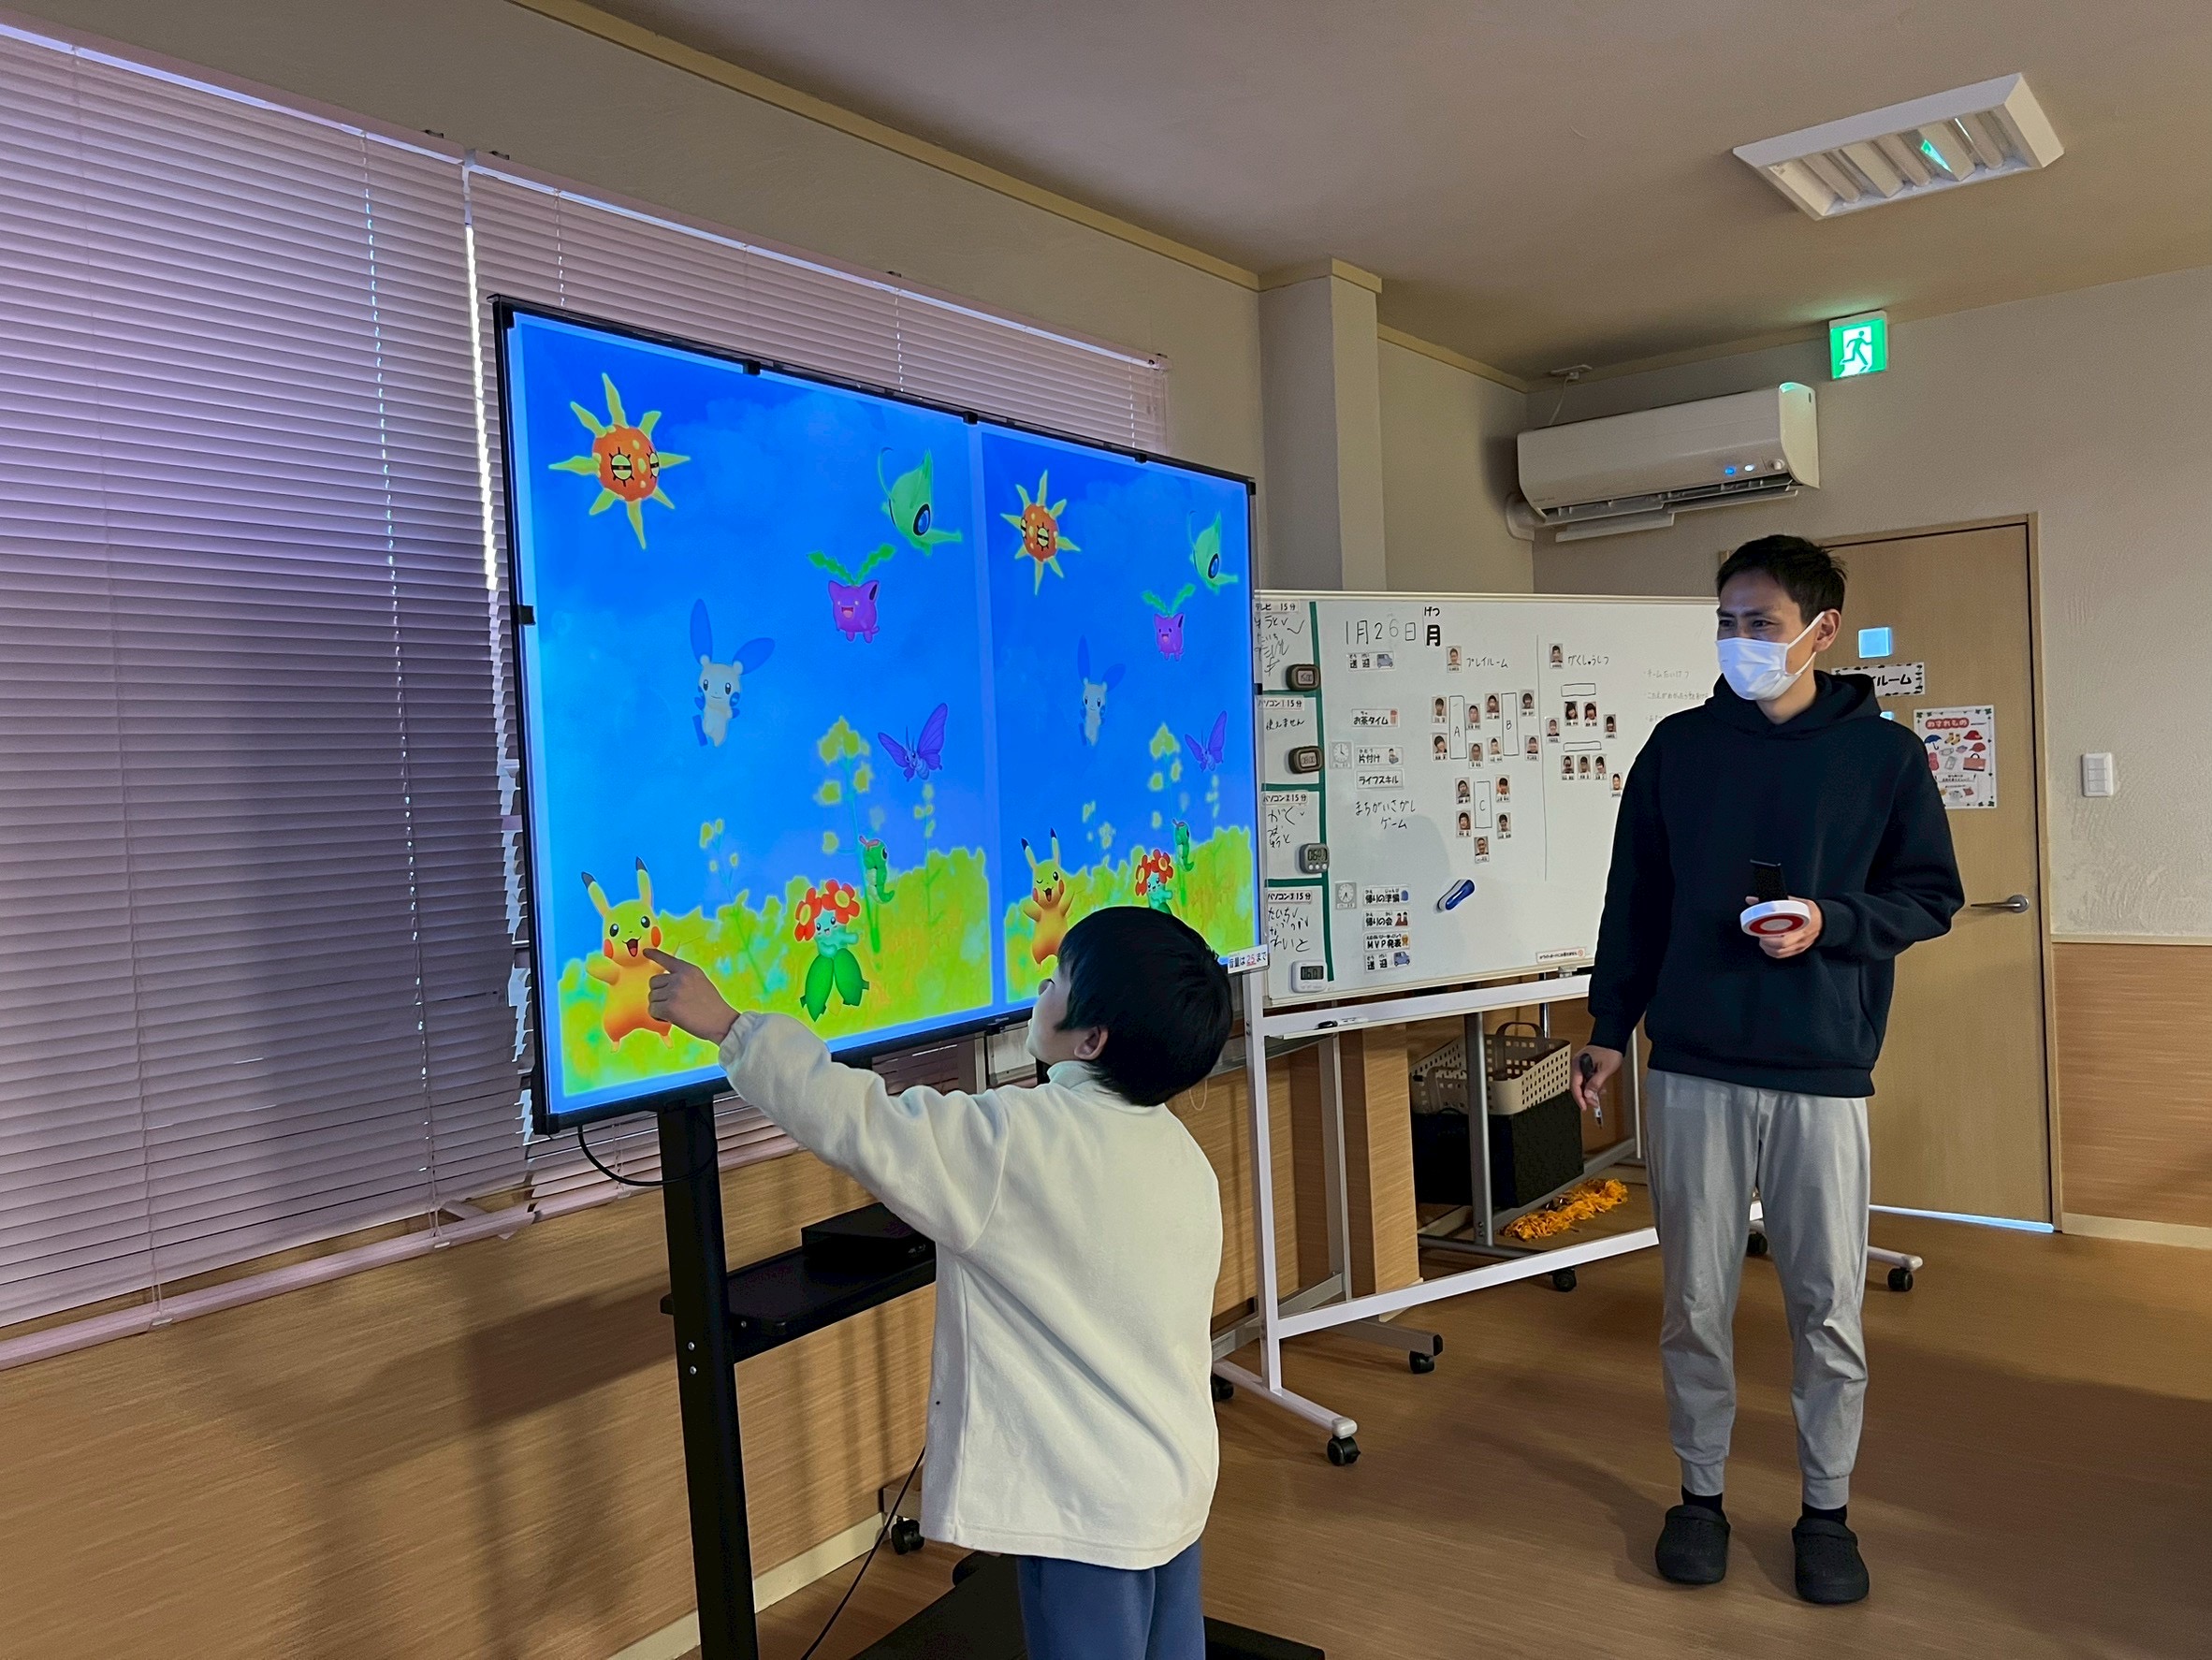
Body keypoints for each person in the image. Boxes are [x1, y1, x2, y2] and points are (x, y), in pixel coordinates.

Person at [646, 907, 1233, 1660]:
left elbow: (859, 1121)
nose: (1041, 987)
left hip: (1085, 1513)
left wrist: (732, 1028)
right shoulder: (1181, 1153)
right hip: (1172, 1484)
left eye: (1058, 981)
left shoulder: (1014, 1141)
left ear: (1092, 1039)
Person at [1574, 535, 1961, 1608]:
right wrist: (1609, 1027)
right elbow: (1634, 900)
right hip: (1692, 1064)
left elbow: (1931, 896)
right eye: (1727, 622)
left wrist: (1830, 921)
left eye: (1762, 624)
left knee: (1826, 1305)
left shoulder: (1884, 759)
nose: (1740, 642)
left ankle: (1825, 1511)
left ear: (1821, 632)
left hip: (1823, 1068)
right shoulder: (1679, 748)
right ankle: (1698, 1495)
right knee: (1694, 1300)